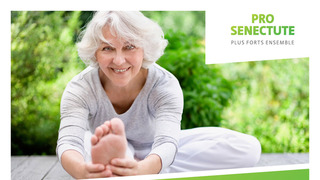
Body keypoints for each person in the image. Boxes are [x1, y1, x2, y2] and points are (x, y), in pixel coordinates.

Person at [56, 11, 261, 179]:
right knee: (85, 140)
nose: (119, 61)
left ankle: (127, 170)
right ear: (95, 53)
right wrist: (80, 170)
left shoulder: (164, 84)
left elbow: (166, 142)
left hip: (156, 148)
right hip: (105, 146)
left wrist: (145, 168)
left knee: (249, 148)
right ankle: (125, 164)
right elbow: (68, 142)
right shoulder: (80, 88)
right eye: (108, 48)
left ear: (145, 49)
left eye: (129, 47)